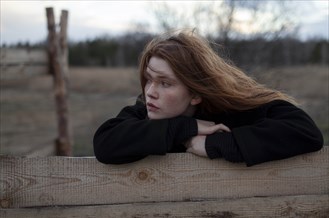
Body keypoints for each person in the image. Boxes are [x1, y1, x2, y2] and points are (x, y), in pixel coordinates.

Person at [93, 30, 323, 166]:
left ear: (195, 93)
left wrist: (213, 144)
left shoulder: (229, 112)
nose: (150, 91)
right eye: (149, 79)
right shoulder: (145, 110)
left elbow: (304, 131)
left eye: (165, 83)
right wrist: (185, 128)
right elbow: (105, 143)